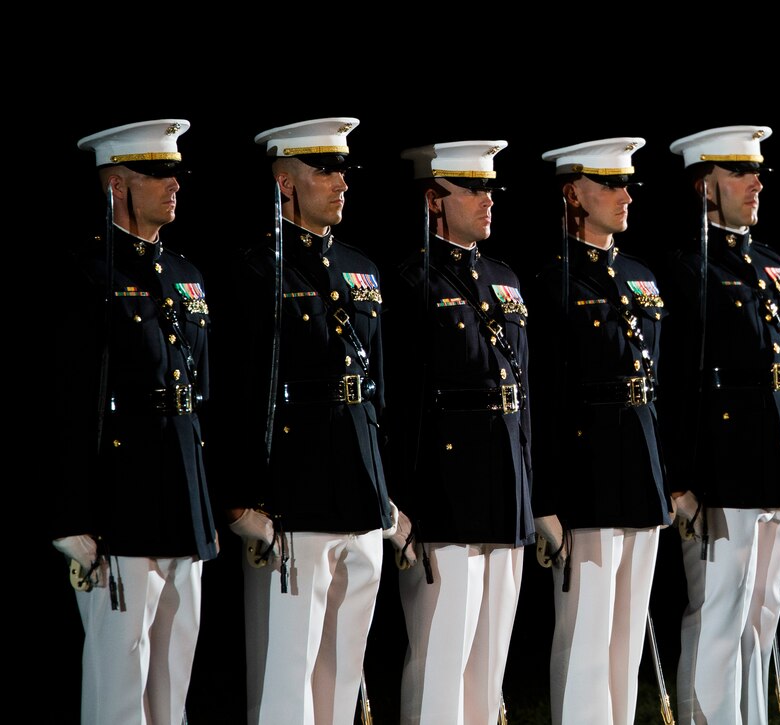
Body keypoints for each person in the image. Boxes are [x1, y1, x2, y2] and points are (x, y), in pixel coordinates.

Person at [219, 117, 408, 725]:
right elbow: (236, 391)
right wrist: (239, 499)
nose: (340, 182)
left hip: (359, 489)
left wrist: (384, 493)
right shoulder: (256, 271)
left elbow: (377, 392)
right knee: (287, 675)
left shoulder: (361, 267)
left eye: (342, 171)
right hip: (292, 497)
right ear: (285, 184)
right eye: (323, 170)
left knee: (343, 669)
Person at [52, 119, 218, 724]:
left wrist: (207, 501)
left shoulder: (187, 276)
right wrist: (72, 513)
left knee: (174, 675)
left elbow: (203, 398)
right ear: (114, 184)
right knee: (120, 679)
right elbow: (67, 401)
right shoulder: (86, 276)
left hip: (182, 493)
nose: (173, 184)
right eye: (156, 173)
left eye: (173, 172)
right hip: (119, 497)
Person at [661, 125, 780, 725]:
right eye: (740, 173)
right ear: (704, 185)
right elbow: (670, 380)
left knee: (760, 619)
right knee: (717, 614)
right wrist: (677, 477)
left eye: (757, 172)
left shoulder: (769, 263)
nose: (756, 182)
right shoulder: (685, 268)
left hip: (777, 458)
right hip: (722, 464)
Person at [388, 140, 533, 725]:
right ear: (433, 200)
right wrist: (400, 500)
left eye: (488, 188)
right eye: (471, 188)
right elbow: (399, 401)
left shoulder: (503, 276)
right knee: (439, 658)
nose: (486, 199)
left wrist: (530, 491)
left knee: (489, 664)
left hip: (506, 484)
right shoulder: (409, 281)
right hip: (443, 493)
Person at [531, 137, 671, 724]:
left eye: (626, 183)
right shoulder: (549, 280)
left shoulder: (639, 275)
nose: (625, 195)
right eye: (610, 184)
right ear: (573, 193)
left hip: (640, 465)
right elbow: (541, 396)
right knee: (586, 636)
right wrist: (544, 501)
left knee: (627, 640)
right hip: (584, 474)